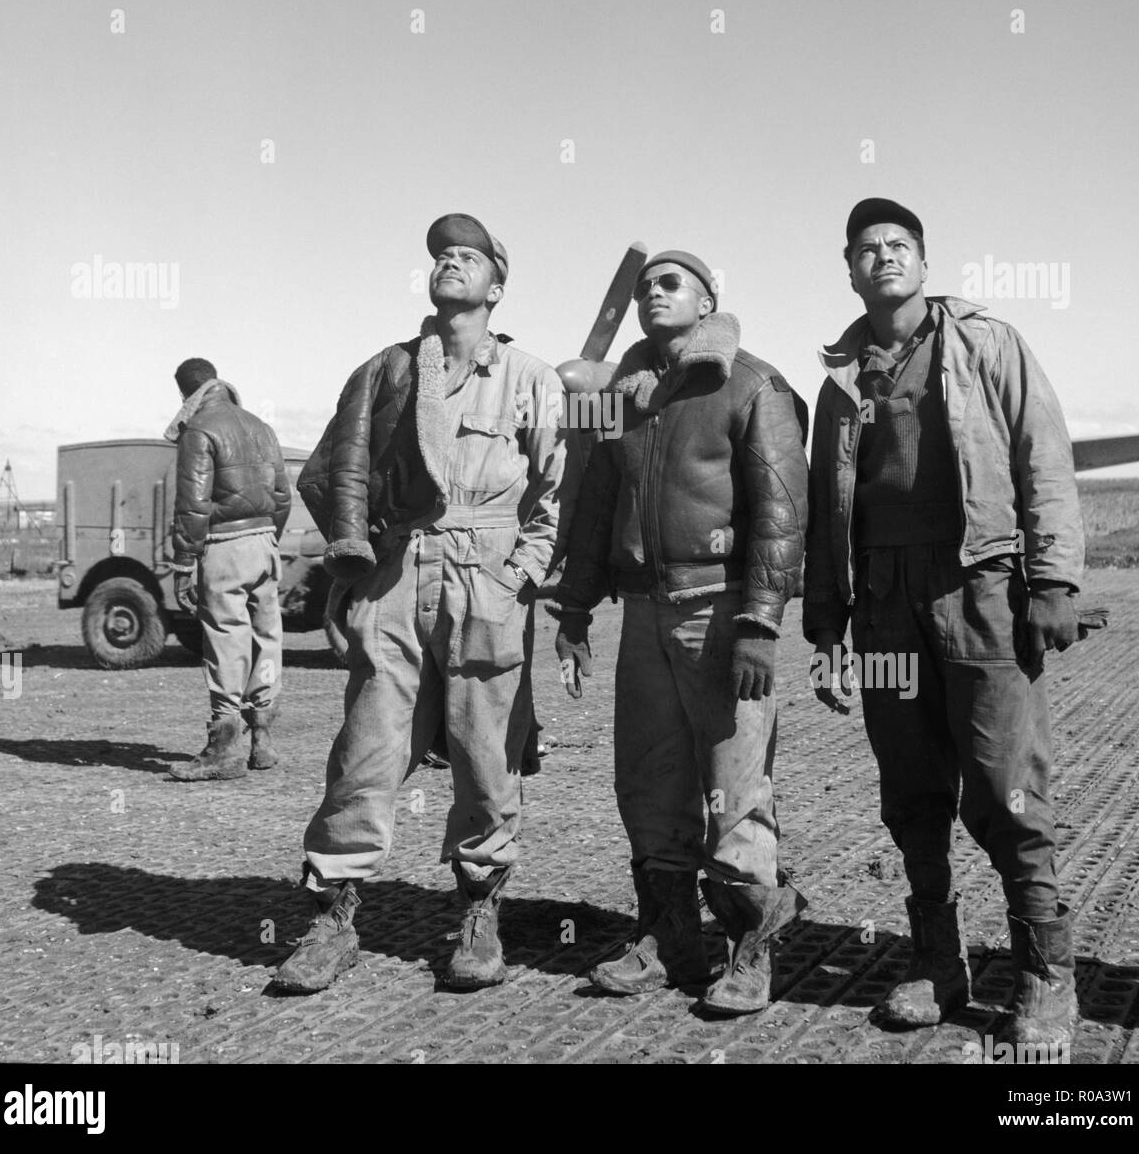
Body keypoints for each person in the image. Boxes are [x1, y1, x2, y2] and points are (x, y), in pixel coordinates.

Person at [804, 198, 1083, 1051]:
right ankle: (937, 961)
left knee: (1005, 781)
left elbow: (1043, 455)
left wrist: (1055, 580)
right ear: (848, 270)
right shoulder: (838, 380)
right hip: (884, 607)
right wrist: (826, 629)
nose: (882, 257)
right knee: (910, 786)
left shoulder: (985, 344)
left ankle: (1045, 974)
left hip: (979, 594)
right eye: (866, 249)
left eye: (898, 245)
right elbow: (826, 510)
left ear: (923, 264)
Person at [274, 213, 566, 994]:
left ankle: (477, 914)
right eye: (441, 254)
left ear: (496, 288)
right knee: (366, 747)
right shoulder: (389, 371)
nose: (451, 262)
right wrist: (355, 563)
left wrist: (518, 578)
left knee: (484, 752)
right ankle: (332, 917)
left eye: (469, 257)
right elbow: (334, 473)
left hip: (487, 574)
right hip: (398, 573)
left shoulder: (532, 379)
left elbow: (558, 494)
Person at [553, 251, 810, 1015]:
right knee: (648, 780)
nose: (651, 293)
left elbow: (780, 512)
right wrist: (573, 608)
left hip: (721, 611)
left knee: (734, 784)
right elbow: (595, 505)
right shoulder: (621, 399)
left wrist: (761, 623)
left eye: (669, 283)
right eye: (642, 286)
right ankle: (667, 938)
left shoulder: (751, 383)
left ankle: (748, 946)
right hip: (640, 614)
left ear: (706, 302)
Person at [165, 358, 291, 781]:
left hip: (224, 548)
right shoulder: (260, 426)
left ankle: (223, 749)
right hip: (264, 543)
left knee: (226, 641)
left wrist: (184, 562)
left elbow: (192, 505)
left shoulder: (199, 430)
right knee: (266, 638)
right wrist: (269, 540)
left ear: (185, 393)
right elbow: (282, 496)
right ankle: (263, 740)